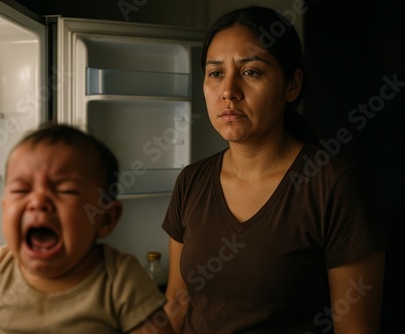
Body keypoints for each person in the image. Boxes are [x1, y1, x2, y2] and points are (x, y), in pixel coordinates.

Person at [162, 6, 386, 334]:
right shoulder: (191, 181)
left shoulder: (333, 187)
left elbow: (355, 329)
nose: (229, 91)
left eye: (251, 71)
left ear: (292, 85)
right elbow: (177, 303)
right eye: (215, 73)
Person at [0, 122, 173, 334]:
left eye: (66, 190)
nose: (38, 201)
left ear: (106, 219)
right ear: (4, 208)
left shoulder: (120, 278)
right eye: (21, 190)